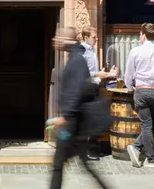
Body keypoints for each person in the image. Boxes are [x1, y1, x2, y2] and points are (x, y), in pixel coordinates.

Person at [47, 27, 110, 189]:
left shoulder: (76, 60)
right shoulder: (73, 57)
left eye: (58, 36)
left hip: (71, 122)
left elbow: (76, 90)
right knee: (83, 162)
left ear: (66, 40)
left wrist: (64, 116)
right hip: (75, 121)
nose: (55, 39)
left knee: (58, 162)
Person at [123, 22, 154, 169]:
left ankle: (138, 148)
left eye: (140, 34)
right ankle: (150, 157)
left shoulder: (135, 51)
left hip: (142, 90)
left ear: (143, 35)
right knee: (153, 125)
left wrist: (131, 87)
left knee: (147, 125)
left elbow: (129, 74)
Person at [79, 27, 117, 159]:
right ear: (85, 37)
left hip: (94, 87)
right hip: (85, 88)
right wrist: (102, 74)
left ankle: (91, 149)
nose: (96, 39)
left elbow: (95, 72)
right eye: (94, 37)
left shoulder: (93, 51)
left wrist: (106, 74)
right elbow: (83, 73)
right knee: (93, 119)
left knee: (96, 119)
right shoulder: (83, 52)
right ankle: (88, 150)